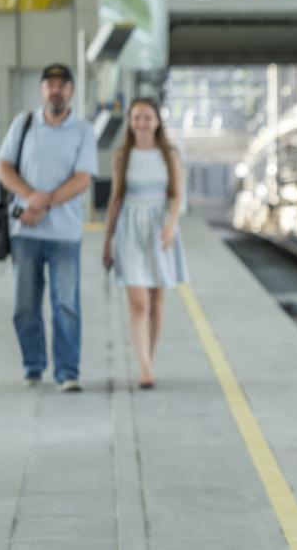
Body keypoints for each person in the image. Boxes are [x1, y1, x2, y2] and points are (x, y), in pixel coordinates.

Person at [0, 63, 98, 392]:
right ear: (42, 90)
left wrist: (44, 202)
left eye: (62, 85)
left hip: (65, 234)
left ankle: (68, 372)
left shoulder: (83, 130)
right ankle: (33, 366)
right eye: (50, 84)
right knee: (25, 305)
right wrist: (28, 197)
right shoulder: (23, 124)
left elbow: (83, 178)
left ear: (71, 91)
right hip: (25, 233)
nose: (56, 90)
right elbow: (3, 166)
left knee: (66, 304)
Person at [102, 98, 188, 389]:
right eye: (136, 117)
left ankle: (148, 360)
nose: (141, 123)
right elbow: (115, 199)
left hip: (160, 229)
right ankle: (145, 368)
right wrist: (107, 240)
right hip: (129, 229)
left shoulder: (170, 154)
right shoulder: (122, 155)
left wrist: (171, 225)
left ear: (157, 121)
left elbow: (177, 194)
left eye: (147, 117)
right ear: (130, 122)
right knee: (139, 303)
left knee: (157, 302)